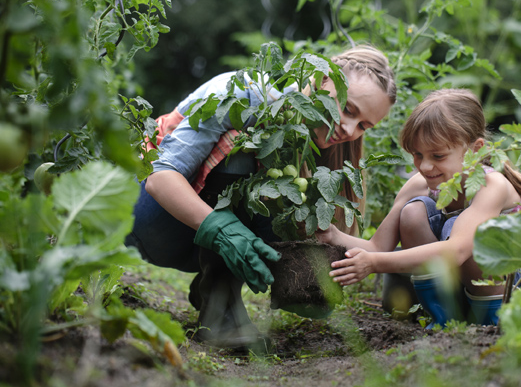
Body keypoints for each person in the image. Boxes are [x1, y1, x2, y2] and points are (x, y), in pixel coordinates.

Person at [125, 45, 397, 350]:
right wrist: (220, 228)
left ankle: (214, 293)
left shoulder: (323, 144)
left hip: (197, 242)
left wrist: (309, 272)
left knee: (283, 184)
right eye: (348, 110)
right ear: (323, 80)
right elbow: (160, 178)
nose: (349, 128)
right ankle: (222, 313)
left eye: (364, 126)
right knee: (244, 145)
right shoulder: (246, 95)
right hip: (148, 219)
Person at [318, 89, 521, 327]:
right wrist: (332, 235)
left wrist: (373, 263)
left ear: (475, 149)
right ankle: (443, 319)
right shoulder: (420, 183)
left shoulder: (491, 185)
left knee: (473, 235)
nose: (424, 166)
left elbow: (456, 251)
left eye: (438, 155)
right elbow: (377, 246)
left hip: (512, 294)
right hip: (462, 288)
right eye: (417, 154)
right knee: (413, 213)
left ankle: (489, 323)